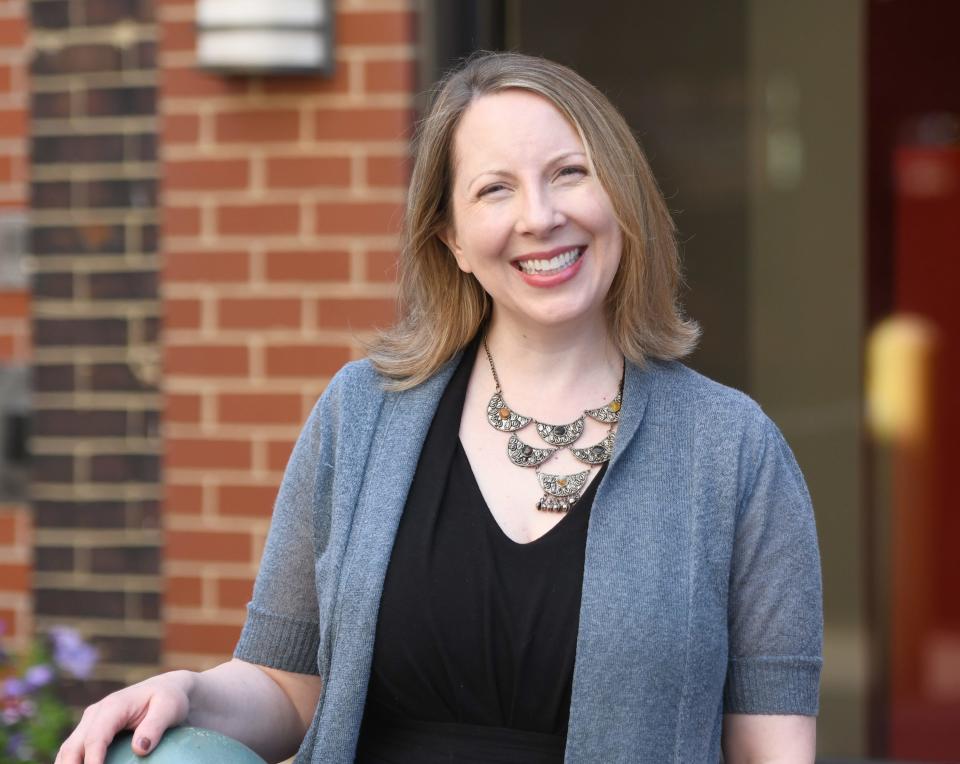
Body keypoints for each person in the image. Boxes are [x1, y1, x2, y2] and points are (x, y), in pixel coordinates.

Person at [57, 51, 822, 764]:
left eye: (570, 173)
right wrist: (189, 690)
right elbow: (287, 683)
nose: (540, 216)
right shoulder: (361, 414)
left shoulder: (732, 450)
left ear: (622, 197)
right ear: (451, 238)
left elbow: (771, 747)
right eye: (496, 188)